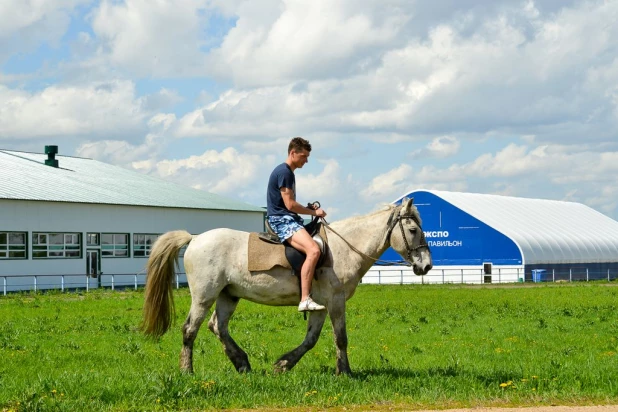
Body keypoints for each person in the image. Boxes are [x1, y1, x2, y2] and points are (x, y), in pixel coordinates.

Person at [266, 137, 328, 312]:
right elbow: (290, 205)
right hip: (281, 220)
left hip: (286, 217)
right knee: (314, 250)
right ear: (293, 153)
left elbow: (290, 203)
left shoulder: (287, 172)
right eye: (304, 156)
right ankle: (305, 299)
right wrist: (314, 212)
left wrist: (307, 208)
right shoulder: (284, 173)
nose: (306, 160)